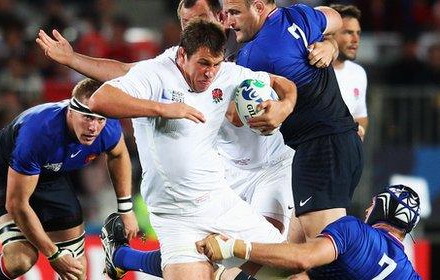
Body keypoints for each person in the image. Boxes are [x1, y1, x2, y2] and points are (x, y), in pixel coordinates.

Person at [36, 0, 337, 243]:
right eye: (185, 24)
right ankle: (127, 256)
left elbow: (328, 27)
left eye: (199, 19)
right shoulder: (175, 65)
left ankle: (127, 257)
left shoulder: (249, 48)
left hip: (270, 165)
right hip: (227, 174)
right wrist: (73, 59)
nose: (192, 29)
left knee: (275, 252)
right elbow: (125, 72)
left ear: (220, 17)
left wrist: (329, 45)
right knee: (236, 258)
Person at [87, 20, 297, 280]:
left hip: (218, 200)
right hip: (175, 214)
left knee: (291, 269)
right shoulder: (154, 73)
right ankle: (123, 256)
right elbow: (100, 100)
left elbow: (283, 83)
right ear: (182, 55)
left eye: (216, 64)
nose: (210, 73)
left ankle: (123, 257)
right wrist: (163, 109)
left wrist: (285, 106)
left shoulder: (226, 74)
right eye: (203, 64)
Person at [223, 0, 363, 241]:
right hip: (342, 143)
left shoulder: (255, 55)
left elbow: (235, 116)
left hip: (319, 151)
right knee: (294, 255)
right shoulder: (298, 15)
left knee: (324, 255)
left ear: (258, 7)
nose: (229, 21)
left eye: (235, 12)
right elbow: (335, 18)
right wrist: (330, 43)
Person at [0, 78, 139, 280]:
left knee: (75, 269)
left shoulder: (108, 126)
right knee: (20, 260)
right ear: (70, 111)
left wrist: (126, 208)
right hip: (4, 173)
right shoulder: (38, 134)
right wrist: (52, 254)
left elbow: (119, 154)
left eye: (99, 119)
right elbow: (17, 204)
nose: (93, 128)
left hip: (50, 174)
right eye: (87, 117)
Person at [196, 184, 422, 280]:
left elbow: (303, 259)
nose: (366, 209)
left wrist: (234, 246)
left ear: (381, 207)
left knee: (226, 273)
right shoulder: (409, 273)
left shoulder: (356, 231)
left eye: (372, 204)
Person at [330, 4, 369, 141]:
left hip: (344, 157)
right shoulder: (311, 71)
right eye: (348, 32)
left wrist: (360, 130)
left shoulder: (358, 73)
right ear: (330, 35)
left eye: (358, 33)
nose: (356, 39)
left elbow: (360, 115)